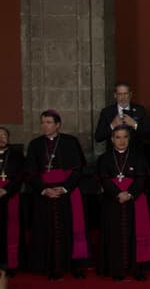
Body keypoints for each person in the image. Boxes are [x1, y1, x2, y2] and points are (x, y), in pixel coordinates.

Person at [27, 110, 90, 279]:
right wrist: (44, 189)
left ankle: (74, 266)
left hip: (67, 195)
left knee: (70, 228)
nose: (44, 126)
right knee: (47, 231)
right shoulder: (35, 144)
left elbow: (78, 170)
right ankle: (51, 267)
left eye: (48, 122)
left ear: (58, 124)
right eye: (42, 122)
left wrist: (64, 188)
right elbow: (31, 173)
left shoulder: (70, 142)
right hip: (45, 195)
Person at [96, 125, 150, 280]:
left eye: (125, 137)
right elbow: (103, 179)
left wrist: (130, 193)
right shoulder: (105, 158)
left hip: (134, 202)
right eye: (118, 137)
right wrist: (117, 194)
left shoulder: (138, 157)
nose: (121, 141)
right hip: (112, 202)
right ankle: (116, 269)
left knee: (135, 234)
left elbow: (142, 178)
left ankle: (137, 269)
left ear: (129, 139)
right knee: (114, 235)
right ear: (112, 139)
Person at [0, 126, 23, 281]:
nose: (1, 138)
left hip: (10, 195)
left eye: (4, 135)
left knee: (10, 230)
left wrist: (6, 190)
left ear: (9, 138)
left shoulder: (17, 156)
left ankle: (10, 264)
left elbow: (21, 176)